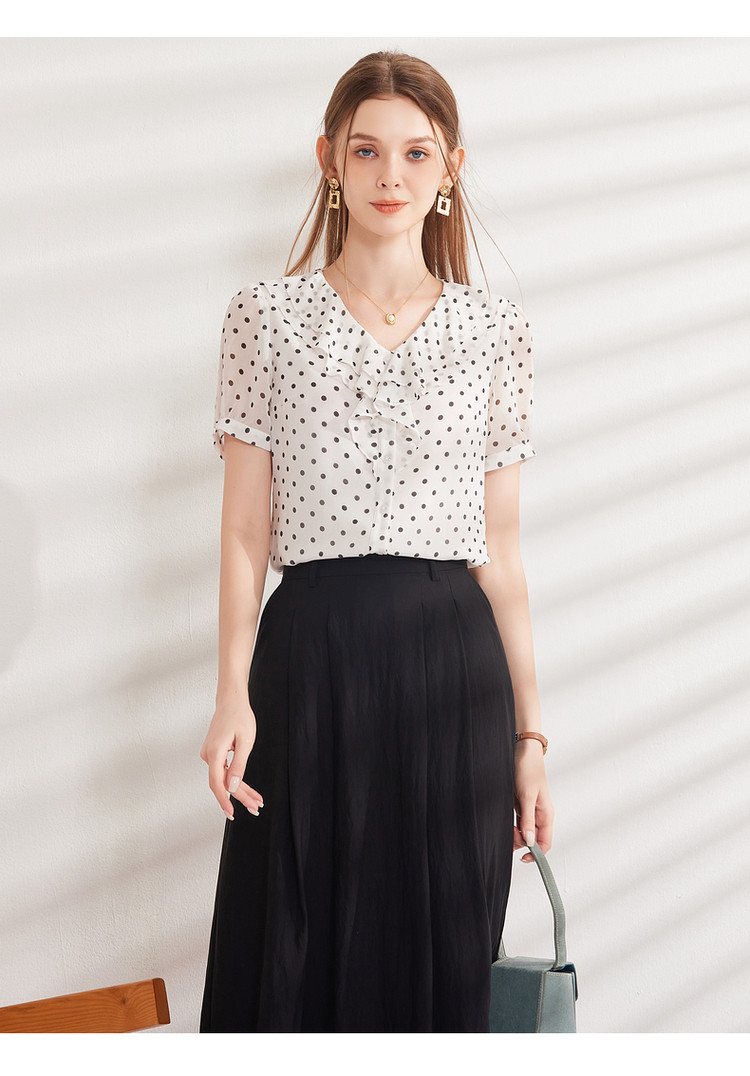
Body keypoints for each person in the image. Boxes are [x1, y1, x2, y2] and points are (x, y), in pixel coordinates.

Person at [199, 49, 553, 1033]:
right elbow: (244, 529)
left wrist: (531, 738)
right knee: (293, 932)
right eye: (366, 150)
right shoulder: (266, 317)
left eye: (415, 152)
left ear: (450, 170)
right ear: (329, 159)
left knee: (442, 948)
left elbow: (503, 552)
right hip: (310, 659)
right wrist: (230, 690)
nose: (390, 174)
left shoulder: (495, 330)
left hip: (454, 670)